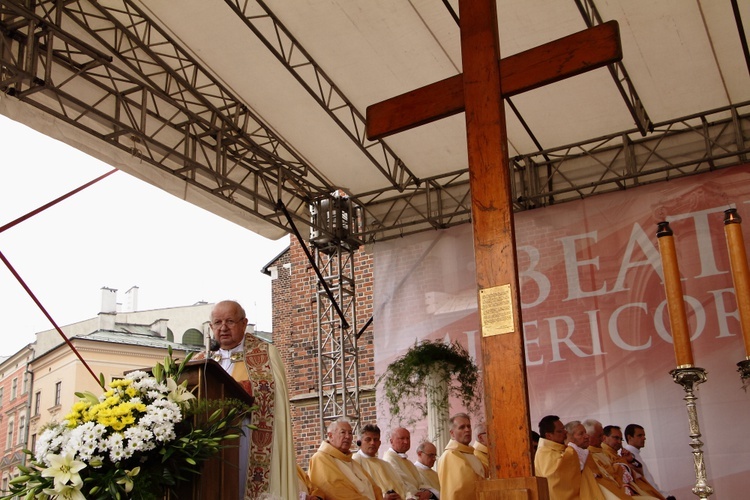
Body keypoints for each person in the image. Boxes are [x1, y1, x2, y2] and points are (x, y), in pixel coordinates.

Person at [201, 300, 298, 499]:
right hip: (210, 443)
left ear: (244, 324)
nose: (223, 328)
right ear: (211, 327)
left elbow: (272, 399)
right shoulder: (202, 361)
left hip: (248, 436)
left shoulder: (264, 354)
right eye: (217, 323)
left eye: (230, 321)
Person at [309, 418, 384, 500]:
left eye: (350, 433)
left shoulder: (351, 461)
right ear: (330, 435)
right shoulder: (320, 458)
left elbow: (374, 487)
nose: (348, 437)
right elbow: (334, 490)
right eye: (343, 432)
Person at [437, 413, 484, 499]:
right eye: (462, 427)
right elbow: (460, 487)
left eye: (468, 426)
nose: (467, 430)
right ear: (452, 433)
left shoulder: (471, 453)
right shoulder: (450, 456)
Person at [352, 424, 405, 499]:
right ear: (359, 443)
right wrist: (382, 498)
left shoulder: (386, 464)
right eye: (368, 439)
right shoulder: (355, 463)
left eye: (375, 439)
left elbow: (401, 486)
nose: (372, 443)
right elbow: (359, 491)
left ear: (379, 443)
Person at [534, 415, 580, 500]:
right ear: (548, 436)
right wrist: (571, 450)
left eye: (564, 429)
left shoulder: (560, 448)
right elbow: (555, 477)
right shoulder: (544, 452)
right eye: (560, 431)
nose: (565, 432)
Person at [623, 424, 672, 499]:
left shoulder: (635, 454)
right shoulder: (628, 456)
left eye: (644, 435)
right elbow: (642, 483)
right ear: (629, 437)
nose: (644, 438)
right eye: (640, 435)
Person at [383, 427, 434, 499]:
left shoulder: (408, 462)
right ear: (391, 441)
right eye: (402, 438)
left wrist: (427, 493)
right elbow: (402, 485)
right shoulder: (389, 459)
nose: (406, 442)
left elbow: (420, 483)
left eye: (408, 438)